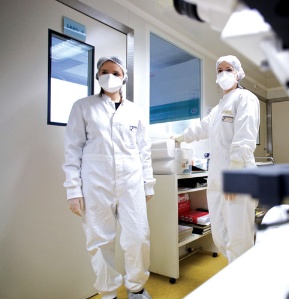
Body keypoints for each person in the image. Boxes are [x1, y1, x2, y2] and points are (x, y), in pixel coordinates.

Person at [62, 56, 155, 299]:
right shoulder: (82, 107)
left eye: (116, 72)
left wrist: (148, 184)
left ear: (124, 77)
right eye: (105, 71)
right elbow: (72, 149)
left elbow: (144, 151)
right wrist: (73, 189)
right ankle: (108, 294)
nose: (110, 76)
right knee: (100, 241)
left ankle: (136, 288)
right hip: (95, 182)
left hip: (131, 182)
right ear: (97, 75)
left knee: (138, 237)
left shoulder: (135, 111)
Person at [173, 55, 260, 263]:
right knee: (220, 234)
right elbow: (201, 128)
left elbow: (245, 138)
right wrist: (179, 137)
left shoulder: (245, 98)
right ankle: (235, 277)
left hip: (237, 176)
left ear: (237, 73)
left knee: (239, 237)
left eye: (228, 69)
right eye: (219, 70)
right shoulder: (217, 109)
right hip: (216, 179)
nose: (223, 74)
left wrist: (234, 175)